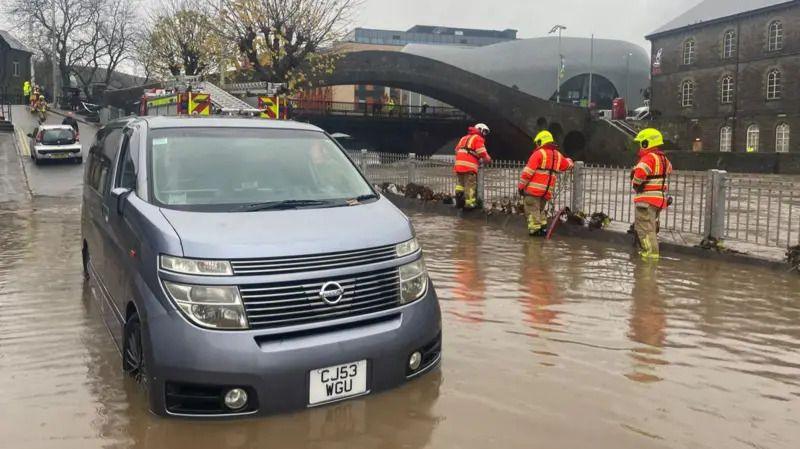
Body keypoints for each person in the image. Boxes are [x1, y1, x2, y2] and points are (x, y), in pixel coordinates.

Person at [517, 130, 574, 236]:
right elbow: (567, 165)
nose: (536, 145)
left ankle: (534, 240)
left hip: (532, 192)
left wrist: (520, 187)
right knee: (540, 211)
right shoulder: (557, 155)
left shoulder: (538, 154)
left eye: (537, 142)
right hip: (546, 193)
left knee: (532, 213)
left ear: (541, 141)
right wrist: (570, 161)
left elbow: (527, 173)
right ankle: (543, 231)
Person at [631, 128, 673, 260]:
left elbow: (640, 174)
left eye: (641, 143)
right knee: (652, 228)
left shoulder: (648, 158)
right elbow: (669, 170)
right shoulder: (664, 159)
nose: (639, 146)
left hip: (646, 201)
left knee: (645, 230)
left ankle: (649, 257)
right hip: (659, 200)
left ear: (646, 143)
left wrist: (635, 183)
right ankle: (651, 256)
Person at [453, 123, 492, 209]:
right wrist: (489, 160)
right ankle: (469, 204)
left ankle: (459, 201)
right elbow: (482, 152)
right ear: (479, 129)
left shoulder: (464, 138)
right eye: (484, 131)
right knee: (470, 185)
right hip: (469, 166)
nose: (485, 134)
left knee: (460, 184)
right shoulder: (478, 138)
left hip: (459, 165)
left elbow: (456, 150)